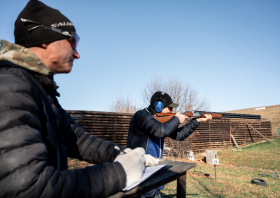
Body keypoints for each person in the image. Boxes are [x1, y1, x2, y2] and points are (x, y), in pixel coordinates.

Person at [0, 1, 158, 197]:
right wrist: (120, 173)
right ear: (44, 38)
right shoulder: (11, 86)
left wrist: (123, 154)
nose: (77, 53)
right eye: (72, 41)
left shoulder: (39, 89)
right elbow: (28, 187)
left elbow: (79, 140)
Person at [127, 91, 212, 198]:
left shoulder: (159, 122)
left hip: (154, 176)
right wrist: (176, 119)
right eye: (170, 108)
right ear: (158, 106)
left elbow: (179, 135)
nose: (172, 111)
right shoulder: (141, 116)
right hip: (140, 177)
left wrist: (197, 120)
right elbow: (161, 131)